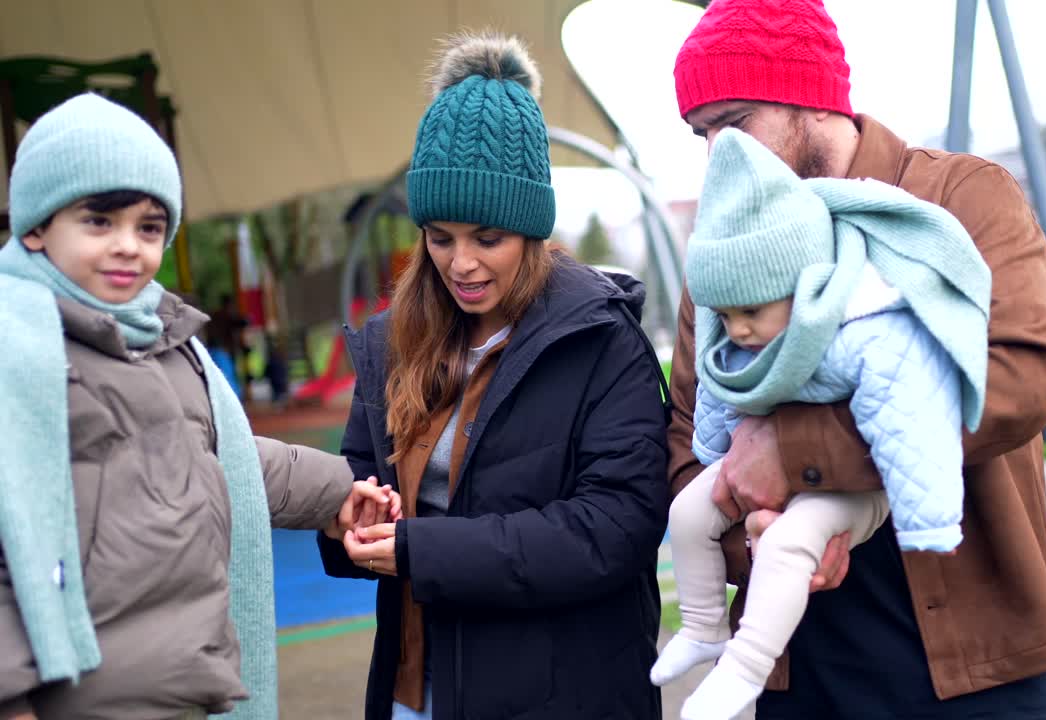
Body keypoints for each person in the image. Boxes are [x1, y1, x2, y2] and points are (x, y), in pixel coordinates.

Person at [666, 1, 1046, 718]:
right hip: (804, 675)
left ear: (811, 100)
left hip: (983, 676)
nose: (718, 159)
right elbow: (685, 438)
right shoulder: (725, 251)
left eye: (733, 126)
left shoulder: (962, 198)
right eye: (701, 135)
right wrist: (753, 540)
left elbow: (1022, 370)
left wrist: (797, 454)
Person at [0, 93, 400, 720]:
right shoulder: (16, 355)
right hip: (78, 696)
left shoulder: (165, 342)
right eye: (99, 222)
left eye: (149, 226)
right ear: (36, 226)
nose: (129, 245)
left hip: (192, 684)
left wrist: (336, 493)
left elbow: (225, 452)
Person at [316, 32, 670, 720]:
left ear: (532, 230)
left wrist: (424, 548)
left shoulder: (600, 337)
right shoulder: (392, 341)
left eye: (487, 238)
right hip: (416, 689)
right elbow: (361, 478)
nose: (461, 264)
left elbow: (615, 528)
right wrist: (347, 522)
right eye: (440, 237)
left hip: (564, 694)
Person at [653, 129, 992, 720]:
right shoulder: (744, 324)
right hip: (787, 489)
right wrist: (717, 464)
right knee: (687, 512)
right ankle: (705, 626)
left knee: (788, 543)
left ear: (798, 283)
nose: (736, 330)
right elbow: (712, 396)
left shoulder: (864, 329)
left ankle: (744, 666)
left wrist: (926, 518)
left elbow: (911, 414)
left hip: (862, 489)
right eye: (725, 316)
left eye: (750, 313)